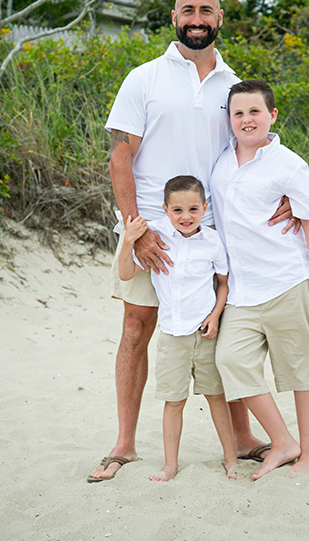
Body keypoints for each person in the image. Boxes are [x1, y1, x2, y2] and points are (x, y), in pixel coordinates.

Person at [89, 0, 293, 482]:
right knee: (136, 329)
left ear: (220, 17)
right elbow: (120, 156)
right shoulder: (144, 78)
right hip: (150, 229)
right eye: (187, 10)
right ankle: (125, 443)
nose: (196, 18)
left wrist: (287, 192)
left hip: (217, 233)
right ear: (174, 17)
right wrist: (135, 230)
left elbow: (257, 144)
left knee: (223, 331)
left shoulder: (235, 84)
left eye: (206, 10)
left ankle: (243, 438)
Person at [210, 79, 309, 481]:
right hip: (241, 291)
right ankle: (282, 441)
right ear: (229, 120)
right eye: (238, 113)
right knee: (230, 360)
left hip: (286, 280)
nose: (247, 119)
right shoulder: (221, 161)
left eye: (255, 112)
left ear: (272, 116)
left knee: (301, 369)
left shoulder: (289, 164)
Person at [113, 176, 238, 482]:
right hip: (171, 336)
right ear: (166, 210)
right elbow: (126, 274)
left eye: (193, 209)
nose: (186, 216)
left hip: (204, 334)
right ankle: (170, 465)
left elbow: (223, 284)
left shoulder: (212, 241)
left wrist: (216, 315)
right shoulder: (156, 236)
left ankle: (232, 459)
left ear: (205, 208)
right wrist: (129, 239)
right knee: (174, 401)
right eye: (178, 210)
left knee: (216, 396)